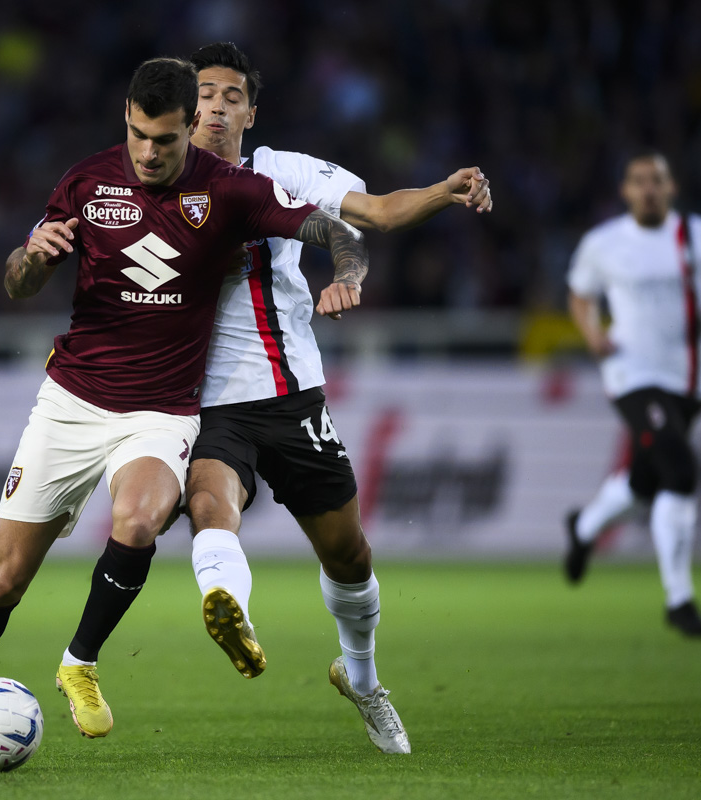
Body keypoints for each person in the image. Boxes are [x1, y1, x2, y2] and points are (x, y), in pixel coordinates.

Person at [0, 56, 372, 761]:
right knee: (4, 578)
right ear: (126, 117)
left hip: (162, 411)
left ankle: (78, 662)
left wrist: (348, 274)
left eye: (165, 140)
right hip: (72, 400)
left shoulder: (231, 190)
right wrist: (32, 256)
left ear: (190, 128)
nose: (149, 153)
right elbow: (18, 283)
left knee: (140, 520)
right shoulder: (85, 183)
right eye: (139, 136)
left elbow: (339, 231)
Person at [182, 42, 493, 755]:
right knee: (209, 504)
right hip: (208, 402)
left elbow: (374, 213)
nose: (218, 107)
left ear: (251, 113)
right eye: (205, 94)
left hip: (291, 392)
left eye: (233, 97)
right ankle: (228, 605)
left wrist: (442, 191)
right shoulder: (153, 181)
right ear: (185, 104)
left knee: (348, 555)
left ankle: (362, 677)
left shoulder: (282, 172)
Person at [563, 150, 701, 638]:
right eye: (639, 181)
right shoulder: (603, 243)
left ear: (671, 188)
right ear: (625, 190)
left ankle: (584, 528)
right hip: (630, 375)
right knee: (679, 468)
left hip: (690, 382)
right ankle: (679, 600)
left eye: (657, 180)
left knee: (644, 484)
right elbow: (580, 296)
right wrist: (592, 334)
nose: (648, 189)